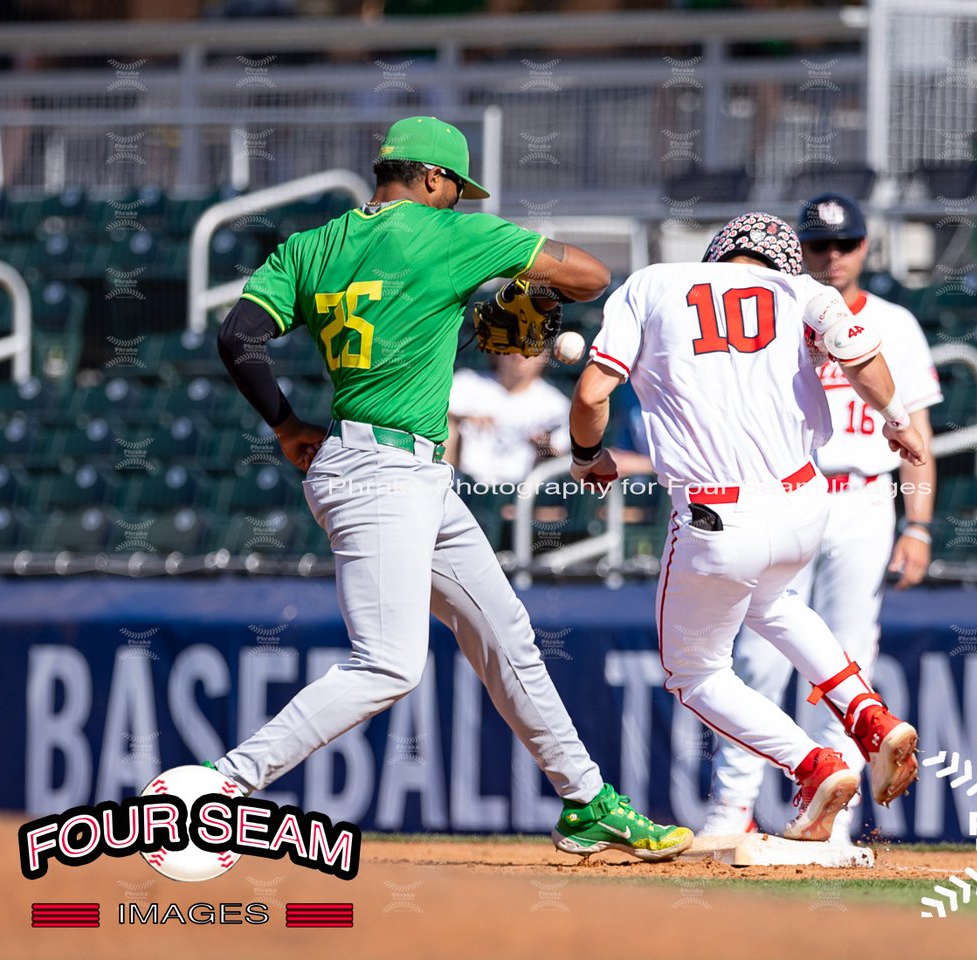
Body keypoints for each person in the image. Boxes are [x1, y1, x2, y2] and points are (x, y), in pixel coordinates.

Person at [212, 115, 693, 862]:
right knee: (388, 663)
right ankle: (221, 788)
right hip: (383, 478)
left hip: (394, 468)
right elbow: (592, 276)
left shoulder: (310, 245)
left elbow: (237, 335)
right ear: (432, 179)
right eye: (456, 190)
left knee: (506, 634)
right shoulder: (448, 235)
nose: (460, 202)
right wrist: (508, 281)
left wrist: (283, 423)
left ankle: (586, 801)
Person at [567, 212, 923, 841]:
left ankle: (812, 765)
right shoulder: (804, 292)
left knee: (694, 672)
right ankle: (867, 716)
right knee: (774, 602)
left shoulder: (651, 283)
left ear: (718, 254)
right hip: (805, 504)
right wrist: (895, 417)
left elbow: (594, 395)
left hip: (715, 513)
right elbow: (861, 357)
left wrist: (585, 456)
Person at [701, 194, 942, 843]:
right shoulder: (772, 315)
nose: (832, 256)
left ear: (865, 247)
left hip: (866, 499)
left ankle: (832, 822)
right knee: (757, 661)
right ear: (799, 251)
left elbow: (917, 430)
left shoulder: (894, 321)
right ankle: (731, 809)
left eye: (845, 244)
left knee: (848, 663)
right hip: (790, 495)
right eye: (818, 245)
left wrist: (917, 524)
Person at [446, 353, 569, 485]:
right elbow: (436, 416)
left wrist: (543, 447)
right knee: (446, 427)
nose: (521, 353)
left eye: (533, 347)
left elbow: (559, 458)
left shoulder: (557, 405)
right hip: (461, 486)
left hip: (520, 495)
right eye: (514, 342)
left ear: (545, 354)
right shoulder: (467, 382)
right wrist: (462, 418)